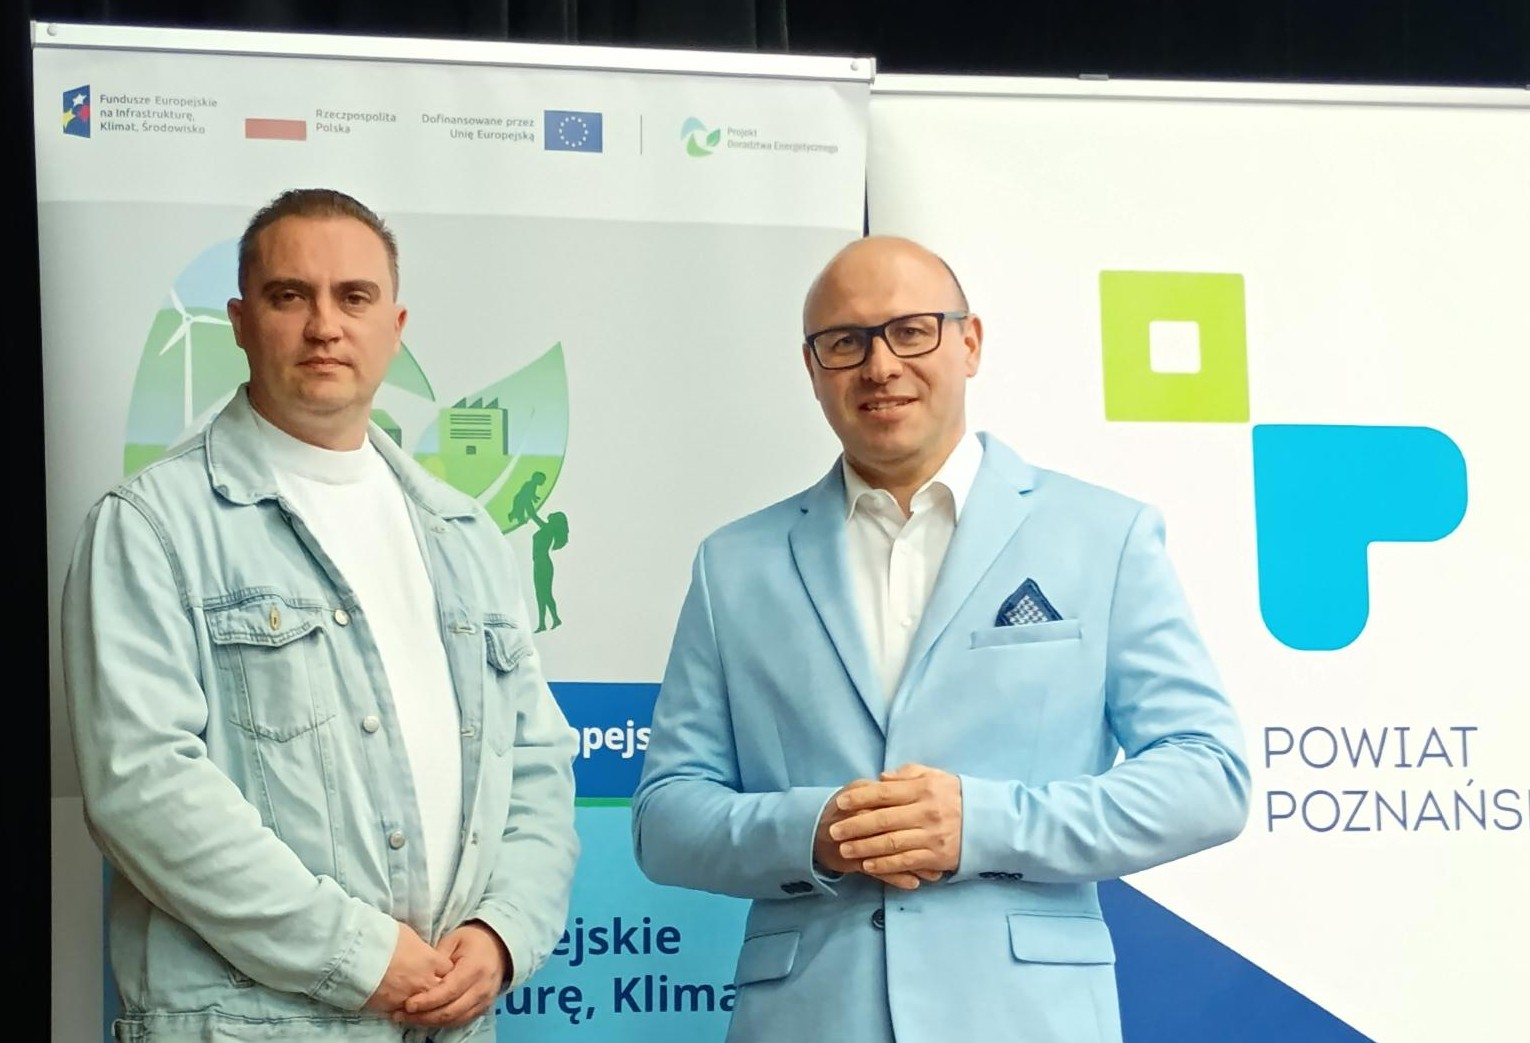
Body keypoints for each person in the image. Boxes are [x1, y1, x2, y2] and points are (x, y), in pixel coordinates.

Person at [631, 235, 1250, 1043]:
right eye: (845, 342)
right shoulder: (734, 565)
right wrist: (820, 829)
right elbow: (666, 817)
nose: (880, 364)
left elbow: (1208, 775)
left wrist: (981, 823)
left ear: (970, 342)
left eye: (911, 330)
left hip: (1026, 1020)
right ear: (813, 368)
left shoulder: (1104, 535)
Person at [62, 188, 579, 1043]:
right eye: (289, 295)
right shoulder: (150, 526)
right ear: (240, 321)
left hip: (447, 1024)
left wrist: (501, 932)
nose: (325, 325)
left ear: (395, 326)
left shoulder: (465, 534)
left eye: (354, 297)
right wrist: (360, 955)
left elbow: (535, 762)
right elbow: (143, 787)